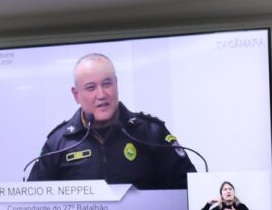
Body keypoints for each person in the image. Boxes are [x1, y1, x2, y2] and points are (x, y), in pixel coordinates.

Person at [27, 53, 196, 189]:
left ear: (117, 85)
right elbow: (35, 203)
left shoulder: (151, 132)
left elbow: (188, 189)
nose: (101, 94)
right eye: (91, 87)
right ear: (76, 95)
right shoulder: (59, 143)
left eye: (107, 84)